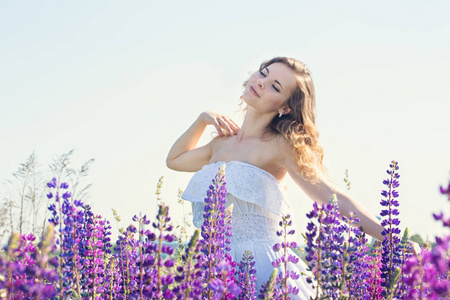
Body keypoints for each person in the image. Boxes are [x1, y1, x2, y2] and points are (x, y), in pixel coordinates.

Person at [166, 57, 420, 299]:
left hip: (264, 268)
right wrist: (203, 119)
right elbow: (175, 160)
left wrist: (392, 238)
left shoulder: (282, 145)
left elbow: (332, 198)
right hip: (213, 266)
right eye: (263, 73)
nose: (262, 82)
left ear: (285, 107)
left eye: (275, 87)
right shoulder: (220, 143)